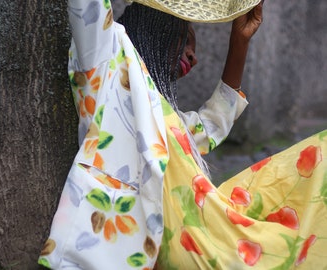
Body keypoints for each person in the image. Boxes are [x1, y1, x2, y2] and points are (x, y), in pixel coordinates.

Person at [38, 0, 327, 269]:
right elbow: (86, 7)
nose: (195, 57)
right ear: (158, 28)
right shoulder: (105, 65)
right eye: (187, 39)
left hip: (208, 229)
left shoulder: (164, 117)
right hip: (152, 246)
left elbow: (210, 126)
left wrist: (240, 42)